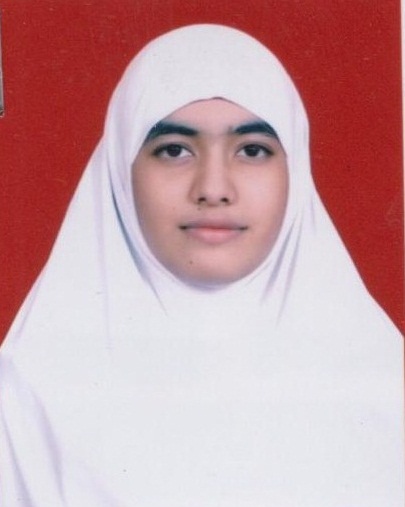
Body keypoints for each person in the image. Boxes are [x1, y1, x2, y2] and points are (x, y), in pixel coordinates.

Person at [0, 24, 403, 507]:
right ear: (121, 171)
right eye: (174, 150)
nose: (213, 188)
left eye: (252, 150)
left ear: (295, 170)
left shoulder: (381, 384)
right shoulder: (29, 391)